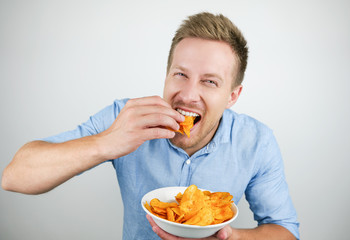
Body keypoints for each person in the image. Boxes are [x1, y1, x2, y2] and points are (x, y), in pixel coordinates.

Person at [2, 12, 299, 240]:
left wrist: (228, 238)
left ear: (233, 96)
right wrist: (107, 142)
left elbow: (285, 231)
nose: (187, 94)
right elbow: (14, 177)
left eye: (209, 81)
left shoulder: (256, 142)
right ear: (167, 73)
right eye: (180, 74)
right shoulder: (125, 118)